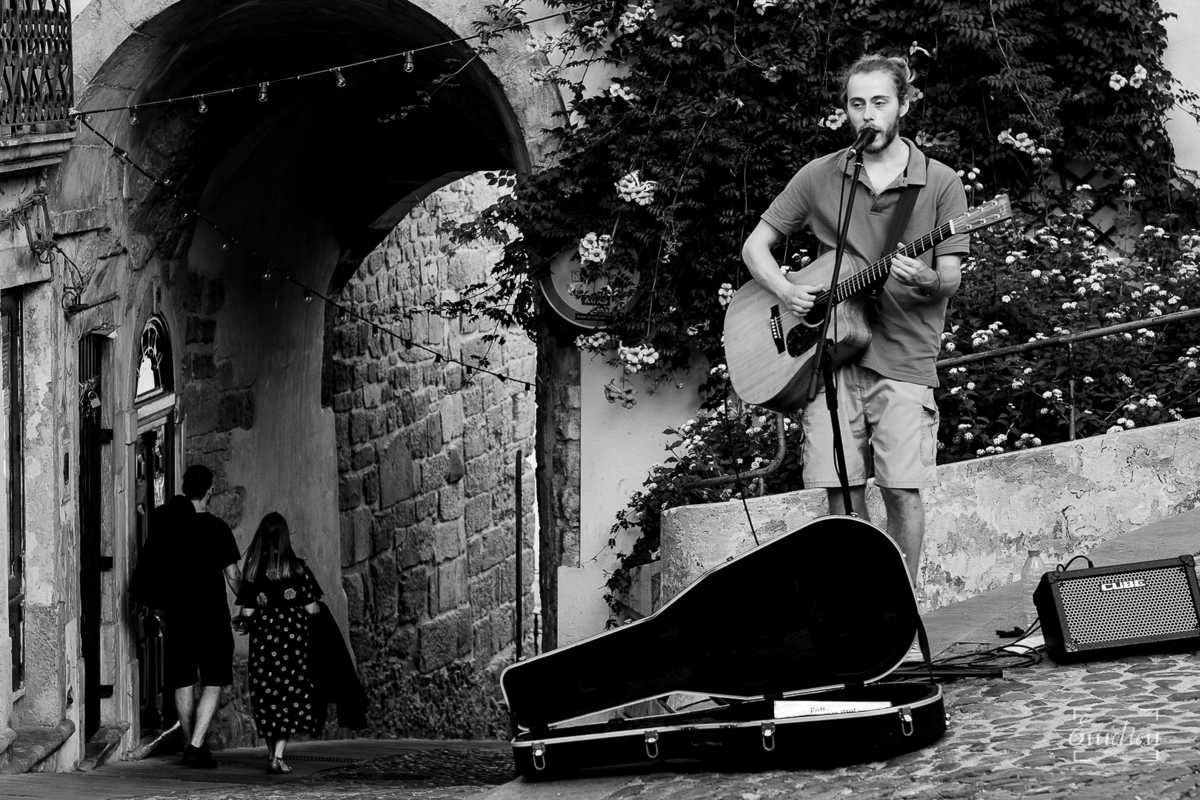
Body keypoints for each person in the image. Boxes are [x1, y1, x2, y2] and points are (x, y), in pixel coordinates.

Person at [740, 54, 970, 586]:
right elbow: (757, 247)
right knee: (840, 494)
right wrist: (787, 291)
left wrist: (927, 280)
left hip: (904, 356)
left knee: (900, 491)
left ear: (905, 105)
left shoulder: (939, 182)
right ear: (846, 109)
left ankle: (903, 609)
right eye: (857, 103)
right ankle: (860, 616)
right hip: (828, 358)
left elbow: (951, 277)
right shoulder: (821, 176)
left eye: (880, 102)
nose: (868, 115)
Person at [148, 464, 243, 768]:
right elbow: (232, 576)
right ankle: (195, 746)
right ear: (210, 491)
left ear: (185, 488)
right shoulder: (217, 529)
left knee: (182, 681)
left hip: (178, 613)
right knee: (214, 680)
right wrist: (249, 606)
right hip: (212, 615)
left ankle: (191, 745)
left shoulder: (169, 525)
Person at [234, 512, 322, 774]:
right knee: (289, 696)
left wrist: (247, 619)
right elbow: (312, 608)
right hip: (293, 644)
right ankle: (278, 757)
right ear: (284, 537)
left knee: (267, 695)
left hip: (263, 644)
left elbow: (247, 613)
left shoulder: (253, 571)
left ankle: (274, 755)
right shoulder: (298, 568)